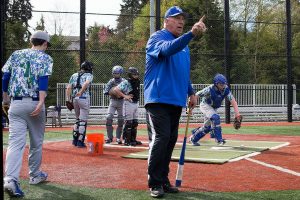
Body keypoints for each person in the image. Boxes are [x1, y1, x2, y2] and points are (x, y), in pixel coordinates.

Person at [144, 6, 207, 198]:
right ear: (166, 20)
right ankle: (154, 182)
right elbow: (167, 50)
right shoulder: (157, 38)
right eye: (176, 18)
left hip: (175, 100)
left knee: (170, 141)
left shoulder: (184, 46)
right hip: (157, 98)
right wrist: (190, 34)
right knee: (161, 137)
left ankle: (163, 179)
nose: (181, 21)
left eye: (183, 19)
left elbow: (183, 72)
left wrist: (191, 92)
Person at [2, 30, 53, 197]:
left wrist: (5, 99)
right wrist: (40, 101)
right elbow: (42, 80)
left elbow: (5, 77)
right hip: (33, 103)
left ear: (32, 40)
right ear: (44, 43)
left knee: (15, 143)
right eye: (47, 45)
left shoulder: (16, 54)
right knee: (36, 142)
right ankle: (35, 175)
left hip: (15, 104)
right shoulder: (45, 57)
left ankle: (10, 179)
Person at [189, 73, 241, 146]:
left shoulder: (226, 89)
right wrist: (190, 108)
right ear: (216, 84)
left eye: (224, 84)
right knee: (216, 117)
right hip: (205, 105)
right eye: (221, 84)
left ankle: (193, 139)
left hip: (213, 108)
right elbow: (197, 94)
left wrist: (237, 114)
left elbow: (233, 101)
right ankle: (219, 140)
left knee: (207, 127)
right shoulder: (209, 89)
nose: (223, 86)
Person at [66, 61, 94, 148]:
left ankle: (74, 140)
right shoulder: (89, 75)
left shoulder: (74, 75)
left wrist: (68, 99)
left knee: (77, 120)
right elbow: (86, 83)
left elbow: (69, 87)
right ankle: (80, 142)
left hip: (75, 98)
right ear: (88, 68)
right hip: (84, 98)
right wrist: (81, 92)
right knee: (83, 121)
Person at [113, 67, 143, 146]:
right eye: (134, 74)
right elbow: (116, 89)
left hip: (136, 103)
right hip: (128, 103)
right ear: (130, 75)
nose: (136, 76)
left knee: (135, 122)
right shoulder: (126, 82)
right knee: (129, 122)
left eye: (137, 74)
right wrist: (125, 96)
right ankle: (127, 140)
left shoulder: (137, 81)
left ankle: (133, 139)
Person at [103, 65, 125, 144]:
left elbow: (128, 90)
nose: (115, 75)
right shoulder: (111, 81)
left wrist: (121, 93)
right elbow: (105, 91)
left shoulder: (124, 81)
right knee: (109, 118)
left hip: (121, 102)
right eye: (114, 73)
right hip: (113, 101)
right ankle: (109, 137)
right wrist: (112, 92)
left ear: (120, 73)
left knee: (121, 119)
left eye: (117, 73)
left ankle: (118, 138)